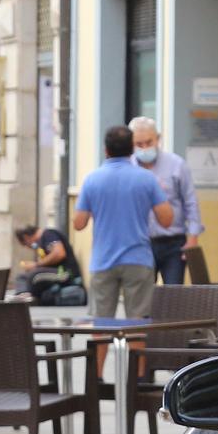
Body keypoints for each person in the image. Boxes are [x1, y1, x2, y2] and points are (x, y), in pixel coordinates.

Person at [73, 125, 173, 317]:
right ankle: (135, 348)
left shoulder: (92, 180)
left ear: (106, 150)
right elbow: (167, 220)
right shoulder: (147, 179)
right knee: (137, 323)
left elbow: (79, 223)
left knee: (101, 324)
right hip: (138, 257)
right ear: (132, 149)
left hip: (103, 259)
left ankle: (102, 348)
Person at [128, 116, 204, 284]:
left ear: (158, 139)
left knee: (174, 296)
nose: (145, 148)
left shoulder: (176, 164)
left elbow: (190, 202)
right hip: (140, 243)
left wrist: (192, 239)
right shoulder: (127, 168)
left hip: (173, 243)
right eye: (139, 144)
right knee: (143, 299)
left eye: (149, 142)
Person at [13, 224, 85, 304]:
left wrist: (36, 265)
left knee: (31, 276)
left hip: (65, 273)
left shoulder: (48, 234)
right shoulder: (41, 243)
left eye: (26, 245)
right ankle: (26, 296)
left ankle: (24, 298)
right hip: (57, 273)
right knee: (25, 276)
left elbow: (59, 253)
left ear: (26, 237)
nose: (29, 247)